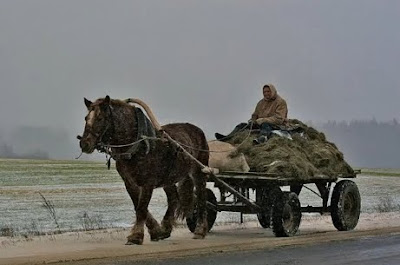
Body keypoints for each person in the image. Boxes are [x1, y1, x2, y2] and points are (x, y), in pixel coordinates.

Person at [215, 83, 288, 144]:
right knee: (242, 125)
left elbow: (279, 119)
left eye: (268, 91)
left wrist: (263, 120)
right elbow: (255, 115)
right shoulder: (261, 103)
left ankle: (262, 138)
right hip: (260, 123)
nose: (266, 94)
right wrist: (252, 120)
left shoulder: (280, 102)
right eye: (264, 92)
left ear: (273, 91)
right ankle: (227, 138)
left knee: (265, 125)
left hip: (276, 125)